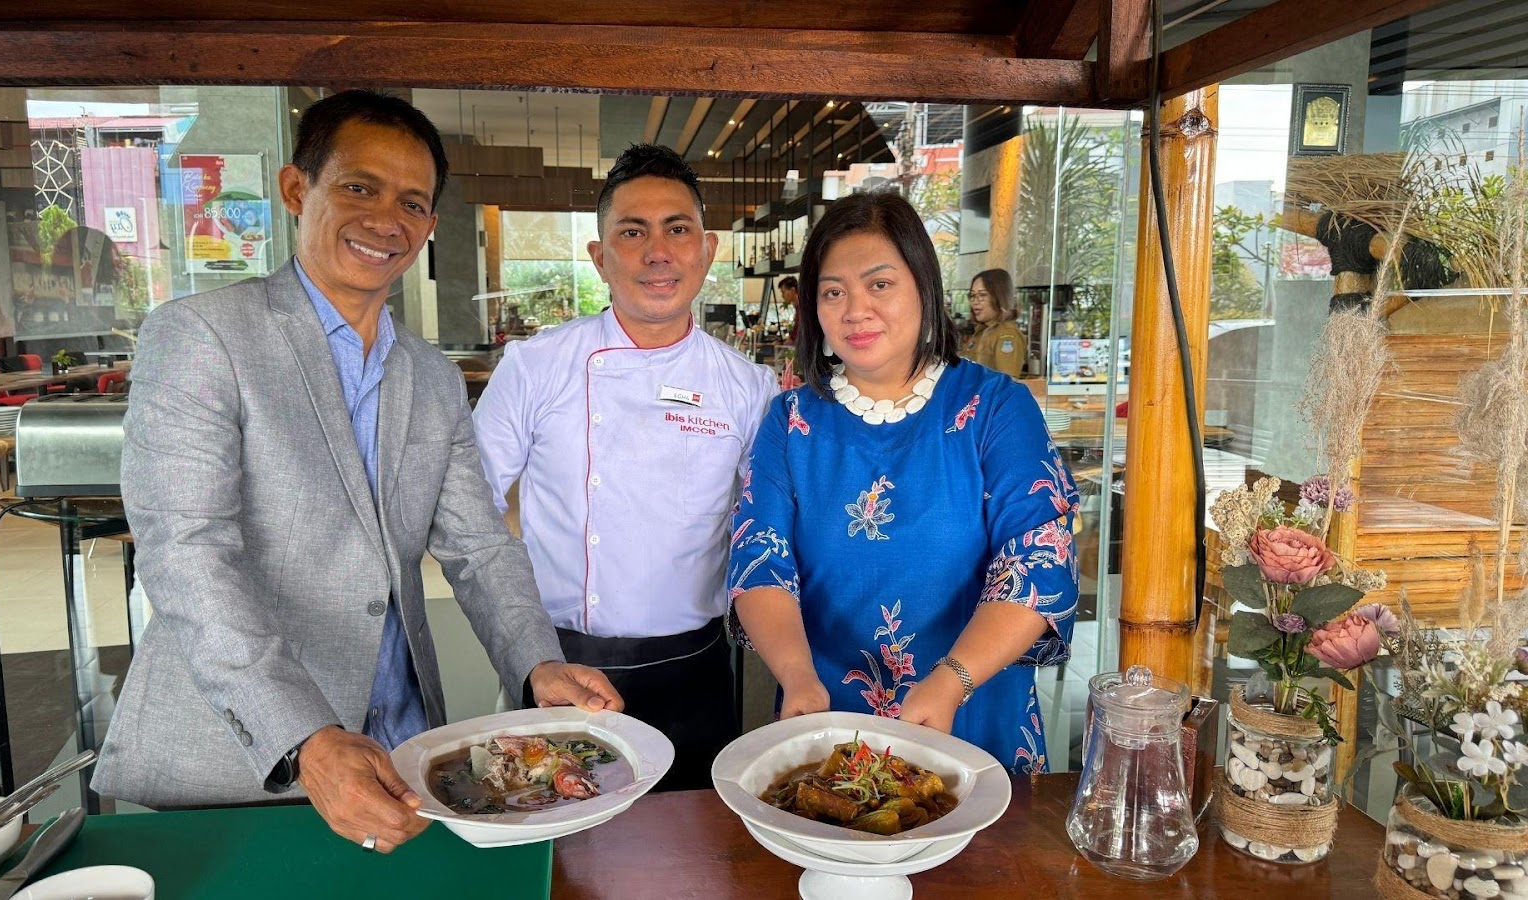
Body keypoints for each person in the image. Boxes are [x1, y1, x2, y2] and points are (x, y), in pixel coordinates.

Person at [94, 90, 621, 852]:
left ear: (430, 227)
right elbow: (187, 554)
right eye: (359, 187)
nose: (386, 220)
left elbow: (478, 545)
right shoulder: (203, 336)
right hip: (244, 766)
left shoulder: (432, 376)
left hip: (400, 746)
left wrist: (539, 661)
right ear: (296, 190)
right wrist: (305, 736)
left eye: (412, 202)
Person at [727, 191, 1079, 774]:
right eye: (833, 291)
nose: (854, 310)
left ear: (923, 287)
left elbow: (1040, 562)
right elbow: (758, 560)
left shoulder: (995, 410)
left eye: (879, 284)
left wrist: (950, 682)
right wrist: (795, 676)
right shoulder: (790, 422)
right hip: (823, 719)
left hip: (970, 710)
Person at [473, 144, 777, 791]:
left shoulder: (748, 388)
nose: (657, 251)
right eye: (632, 232)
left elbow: (771, 534)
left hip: (693, 668)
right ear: (599, 256)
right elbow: (469, 514)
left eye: (677, 229)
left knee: (691, 868)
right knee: (560, 866)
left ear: (708, 249)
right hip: (557, 666)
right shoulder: (536, 366)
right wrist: (526, 655)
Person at [965, 268, 1025, 377]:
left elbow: (1006, 383)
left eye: (982, 295)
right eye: (972, 296)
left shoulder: (1007, 335)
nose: (975, 302)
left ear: (998, 297)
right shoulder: (980, 331)